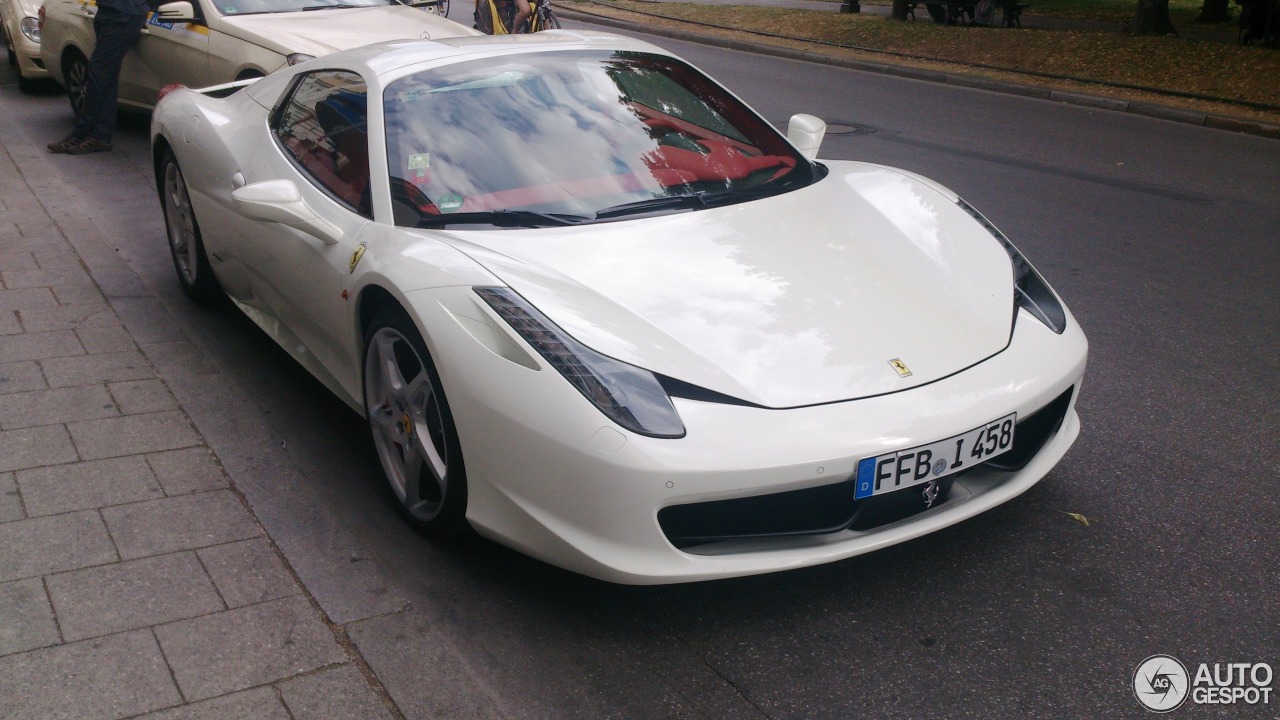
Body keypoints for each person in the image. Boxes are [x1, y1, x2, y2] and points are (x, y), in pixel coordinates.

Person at [47, 0, 151, 155]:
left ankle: (83, 132)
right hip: (111, 11)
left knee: (98, 73)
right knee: (107, 76)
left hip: (123, 14)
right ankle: (99, 135)